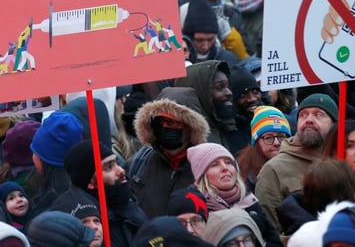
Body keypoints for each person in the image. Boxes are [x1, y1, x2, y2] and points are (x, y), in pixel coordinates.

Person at [255, 93, 337, 233]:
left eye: (318, 114)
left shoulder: (347, 159)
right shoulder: (274, 170)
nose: (309, 120)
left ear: (335, 124)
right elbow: (271, 233)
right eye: (303, 115)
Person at [126, 88, 211, 218]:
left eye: (174, 122)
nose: (166, 127)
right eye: (161, 121)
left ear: (191, 127)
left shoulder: (209, 166)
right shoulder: (137, 164)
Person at [186, 142, 280, 245]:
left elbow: (274, 241)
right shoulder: (194, 209)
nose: (224, 168)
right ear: (201, 175)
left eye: (228, 162)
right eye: (215, 165)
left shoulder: (249, 200)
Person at [59, 140, 146, 247]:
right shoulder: (88, 221)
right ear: (90, 182)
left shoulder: (127, 199)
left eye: (117, 163)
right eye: (109, 168)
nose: (121, 170)